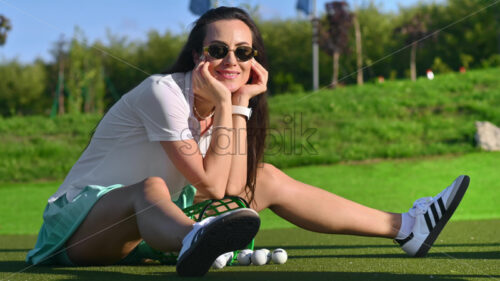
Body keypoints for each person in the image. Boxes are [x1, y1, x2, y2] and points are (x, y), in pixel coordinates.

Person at [26, 6, 470, 277]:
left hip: (151, 232)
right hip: (79, 231)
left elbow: (234, 188)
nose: (231, 60)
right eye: (217, 50)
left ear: (254, 59)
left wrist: (237, 105)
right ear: (198, 55)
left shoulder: (228, 98)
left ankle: (408, 228)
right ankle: (195, 241)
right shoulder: (163, 91)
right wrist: (226, 100)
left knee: (266, 177)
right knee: (151, 188)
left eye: (243, 51)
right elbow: (214, 187)